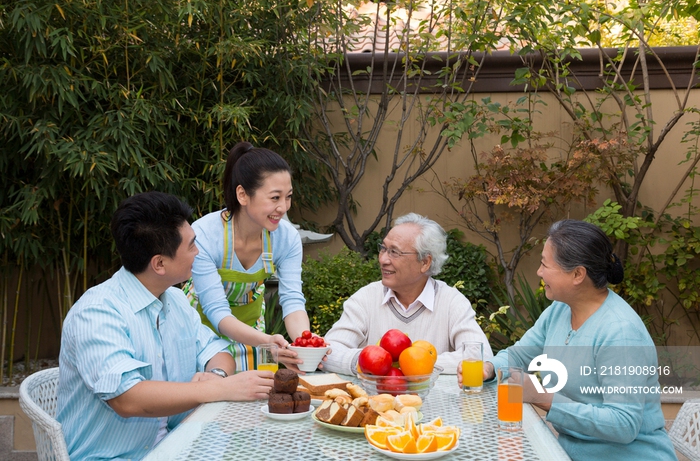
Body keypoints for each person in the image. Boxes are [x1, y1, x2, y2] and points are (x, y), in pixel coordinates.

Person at [56, 192, 274, 460]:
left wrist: (216, 375)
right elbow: (127, 398)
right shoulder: (96, 312)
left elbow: (218, 351)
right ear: (159, 263)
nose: (199, 253)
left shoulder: (176, 300)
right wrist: (220, 389)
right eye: (193, 246)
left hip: (179, 444)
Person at [459, 219, 677, 461]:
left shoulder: (620, 333)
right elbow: (521, 354)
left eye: (544, 264)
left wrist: (543, 397)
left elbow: (623, 424)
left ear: (577, 274)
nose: (539, 272)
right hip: (566, 453)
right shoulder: (559, 311)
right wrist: (489, 368)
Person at [184, 142, 311, 372]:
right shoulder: (205, 234)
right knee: (207, 395)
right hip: (201, 329)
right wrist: (266, 341)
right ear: (242, 194)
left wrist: (307, 343)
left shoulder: (286, 238)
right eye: (274, 198)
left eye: (288, 197)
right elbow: (217, 312)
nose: (283, 208)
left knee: (259, 393)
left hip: (253, 328)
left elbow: (292, 300)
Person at [323, 213, 493, 375]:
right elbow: (328, 351)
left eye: (394, 252)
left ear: (425, 262)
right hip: (375, 402)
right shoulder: (366, 298)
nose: (383, 259)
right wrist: (372, 363)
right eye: (383, 249)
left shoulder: (451, 301)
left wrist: (411, 366)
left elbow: (480, 357)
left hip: (435, 403)